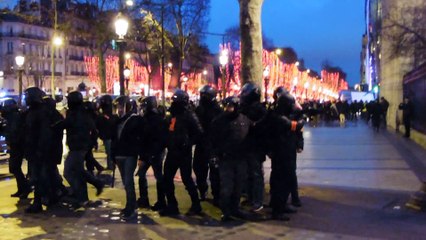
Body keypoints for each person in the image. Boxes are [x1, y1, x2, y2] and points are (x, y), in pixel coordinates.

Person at [161, 89, 203, 216]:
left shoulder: (189, 115)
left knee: (187, 179)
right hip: (173, 151)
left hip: (184, 152)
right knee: (167, 178)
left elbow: (199, 132)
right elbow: (168, 129)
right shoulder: (173, 115)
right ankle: (172, 205)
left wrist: (188, 143)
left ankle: (196, 204)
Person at [210, 96, 252, 222]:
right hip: (226, 158)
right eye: (227, 106)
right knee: (227, 187)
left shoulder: (244, 120)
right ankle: (226, 211)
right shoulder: (219, 121)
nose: (228, 109)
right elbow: (212, 139)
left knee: (238, 186)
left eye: (231, 106)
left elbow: (251, 136)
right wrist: (214, 155)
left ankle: (235, 208)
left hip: (240, 157)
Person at [54, 91, 98, 209]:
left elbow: (67, 123)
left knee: (68, 172)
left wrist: (55, 126)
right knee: (78, 173)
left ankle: (91, 186)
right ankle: (83, 198)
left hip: (78, 147)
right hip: (79, 146)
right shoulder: (81, 112)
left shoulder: (76, 113)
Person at [267, 87, 304, 221]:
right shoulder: (278, 117)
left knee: (285, 180)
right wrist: (301, 120)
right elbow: (294, 126)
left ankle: (282, 205)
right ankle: (278, 209)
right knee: (280, 182)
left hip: (287, 151)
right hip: (281, 153)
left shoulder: (280, 114)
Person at [111, 96, 142, 220]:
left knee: (128, 181)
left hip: (129, 154)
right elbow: (113, 139)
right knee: (125, 181)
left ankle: (131, 206)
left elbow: (139, 138)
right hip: (119, 155)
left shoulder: (135, 120)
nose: (119, 110)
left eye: (121, 107)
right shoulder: (117, 121)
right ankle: (131, 203)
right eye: (117, 107)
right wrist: (112, 155)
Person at [239, 83, 267, 212]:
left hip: (255, 146)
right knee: (248, 173)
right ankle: (251, 197)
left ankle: (258, 200)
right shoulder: (245, 107)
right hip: (247, 145)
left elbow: (262, 127)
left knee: (255, 174)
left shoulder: (258, 109)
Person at [23, 87, 51, 213]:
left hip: (38, 150)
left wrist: (40, 149)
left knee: (38, 177)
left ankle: (38, 201)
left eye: (27, 96)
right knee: (37, 177)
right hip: (33, 150)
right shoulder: (32, 111)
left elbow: (43, 133)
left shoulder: (40, 112)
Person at [137, 96, 168, 211]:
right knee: (151, 175)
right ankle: (153, 200)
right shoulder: (156, 119)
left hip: (152, 152)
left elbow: (146, 138)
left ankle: (155, 200)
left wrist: (147, 154)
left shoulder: (151, 120)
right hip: (153, 152)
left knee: (156, 176)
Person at [193, 85, 222, 203]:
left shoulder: (217, 111)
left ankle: (216, 194)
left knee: (214, 171)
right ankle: (203, 189)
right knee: (199, 168)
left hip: (213, 144)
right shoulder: (199, 109)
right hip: (202, 143)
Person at [0, 98, 32, 199]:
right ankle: (22, 188)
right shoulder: (11, 118)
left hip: (18, 146)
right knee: (15, 168)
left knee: (14, 168)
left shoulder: (15, 117)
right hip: (15, 146)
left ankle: (25, 188)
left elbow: (15, 132)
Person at [96, 95, 116, 170]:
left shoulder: (105, 113)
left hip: (107, 134)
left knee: (109, 151)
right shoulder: (108, 112)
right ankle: (111, 165)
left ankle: (111, 165)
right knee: (109, 151)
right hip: (107, 134)